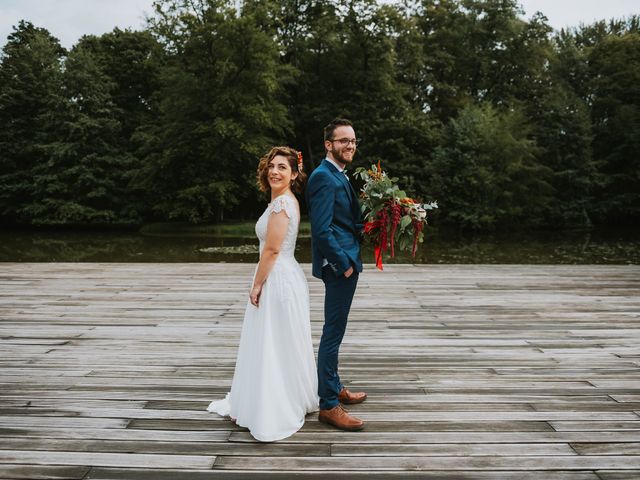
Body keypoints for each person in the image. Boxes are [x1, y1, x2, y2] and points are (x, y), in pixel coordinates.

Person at [207, 146, 318, 442]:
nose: (274, 171)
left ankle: (274, 404)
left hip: (277, 277)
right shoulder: (282, 202)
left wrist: (256, 284)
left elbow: (271, 250)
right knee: (279, 338)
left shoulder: (282, 204)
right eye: (271, 166)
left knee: (273, 338)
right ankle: (271, 395)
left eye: (282, 167)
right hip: (283, 274)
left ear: (294, 174)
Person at [306, 118, 367, 431]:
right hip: (340, 266)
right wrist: (343, 263)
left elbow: (342, 221)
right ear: (328, 144)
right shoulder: (322, 177)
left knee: (336, 329)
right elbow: (321, 229)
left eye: (353, 140)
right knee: (332, 332)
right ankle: (328, 404)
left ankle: (335, 385)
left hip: (348, 259)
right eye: (343, 140)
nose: (350, 145)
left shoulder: (338, 175)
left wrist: (367, 226)